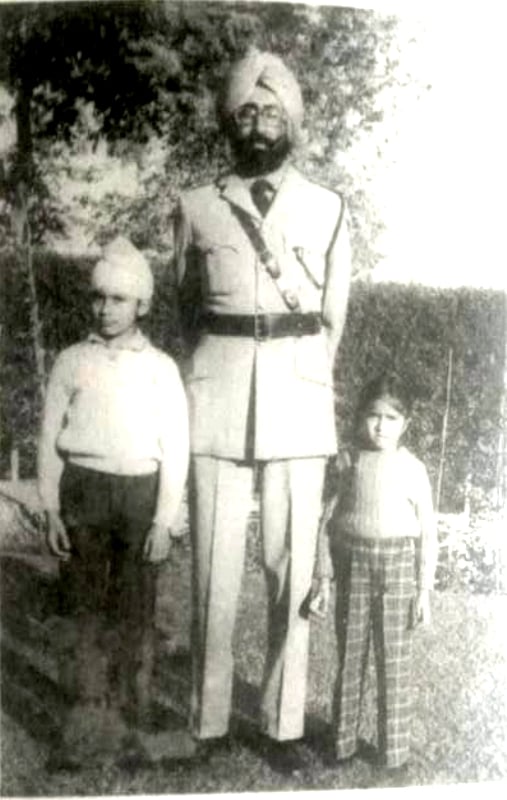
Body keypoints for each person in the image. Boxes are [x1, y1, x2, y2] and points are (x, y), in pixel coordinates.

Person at [173, 48, 351, 773]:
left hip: (297, 395)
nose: (256, 124)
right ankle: (207, 725)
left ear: (291, 122)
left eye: (270, 112)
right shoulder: (195, 205)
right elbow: (185, 311)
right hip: (216, 391)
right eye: (244, 111)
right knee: (213, 565)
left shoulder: (328, 207)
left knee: (290, 565)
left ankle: (281, 727)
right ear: (228, 120)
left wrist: (303, 371)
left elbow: (332, 317)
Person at [38, 237, 190, 769]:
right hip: (83, 493)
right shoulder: (70, 361)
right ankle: (82, 729)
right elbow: (49, 440)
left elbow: (177, 448)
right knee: (82, 612)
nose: (106, 309)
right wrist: (53, 508)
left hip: (140, 498)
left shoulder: (162, 369)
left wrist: (165, 519)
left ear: (142, 305)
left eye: (119, 299)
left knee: (134, 613)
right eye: (98, 297)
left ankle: (133, 723)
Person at [310, 373, 438, 771]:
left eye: (391, 418)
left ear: (406, 424)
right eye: (373, 416)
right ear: (360, 418)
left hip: (398, 565)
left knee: (393, 663)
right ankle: (341, 745)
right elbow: (325, 521)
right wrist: (324, 577)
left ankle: (393, 755)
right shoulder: (348, 463)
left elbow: (429, 533)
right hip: (353, 563)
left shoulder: (414, 469)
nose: (381, 425)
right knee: (351, 659)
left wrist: (424, 590)